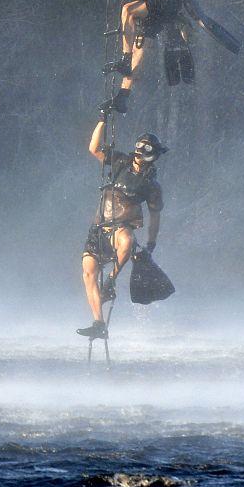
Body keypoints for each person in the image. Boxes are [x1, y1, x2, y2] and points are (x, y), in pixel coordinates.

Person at [79, 116, 165, 338]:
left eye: (146, 149)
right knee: (88, 272)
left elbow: (155, 217)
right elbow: (93, 148)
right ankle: (99, 324)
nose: (140, 151)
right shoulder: (119, 162)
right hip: (99, 228)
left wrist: (151, 243)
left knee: (127, 241)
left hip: (121, 227)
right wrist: (102, 119)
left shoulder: (151, 185)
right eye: (139, 146)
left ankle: (111, 281)